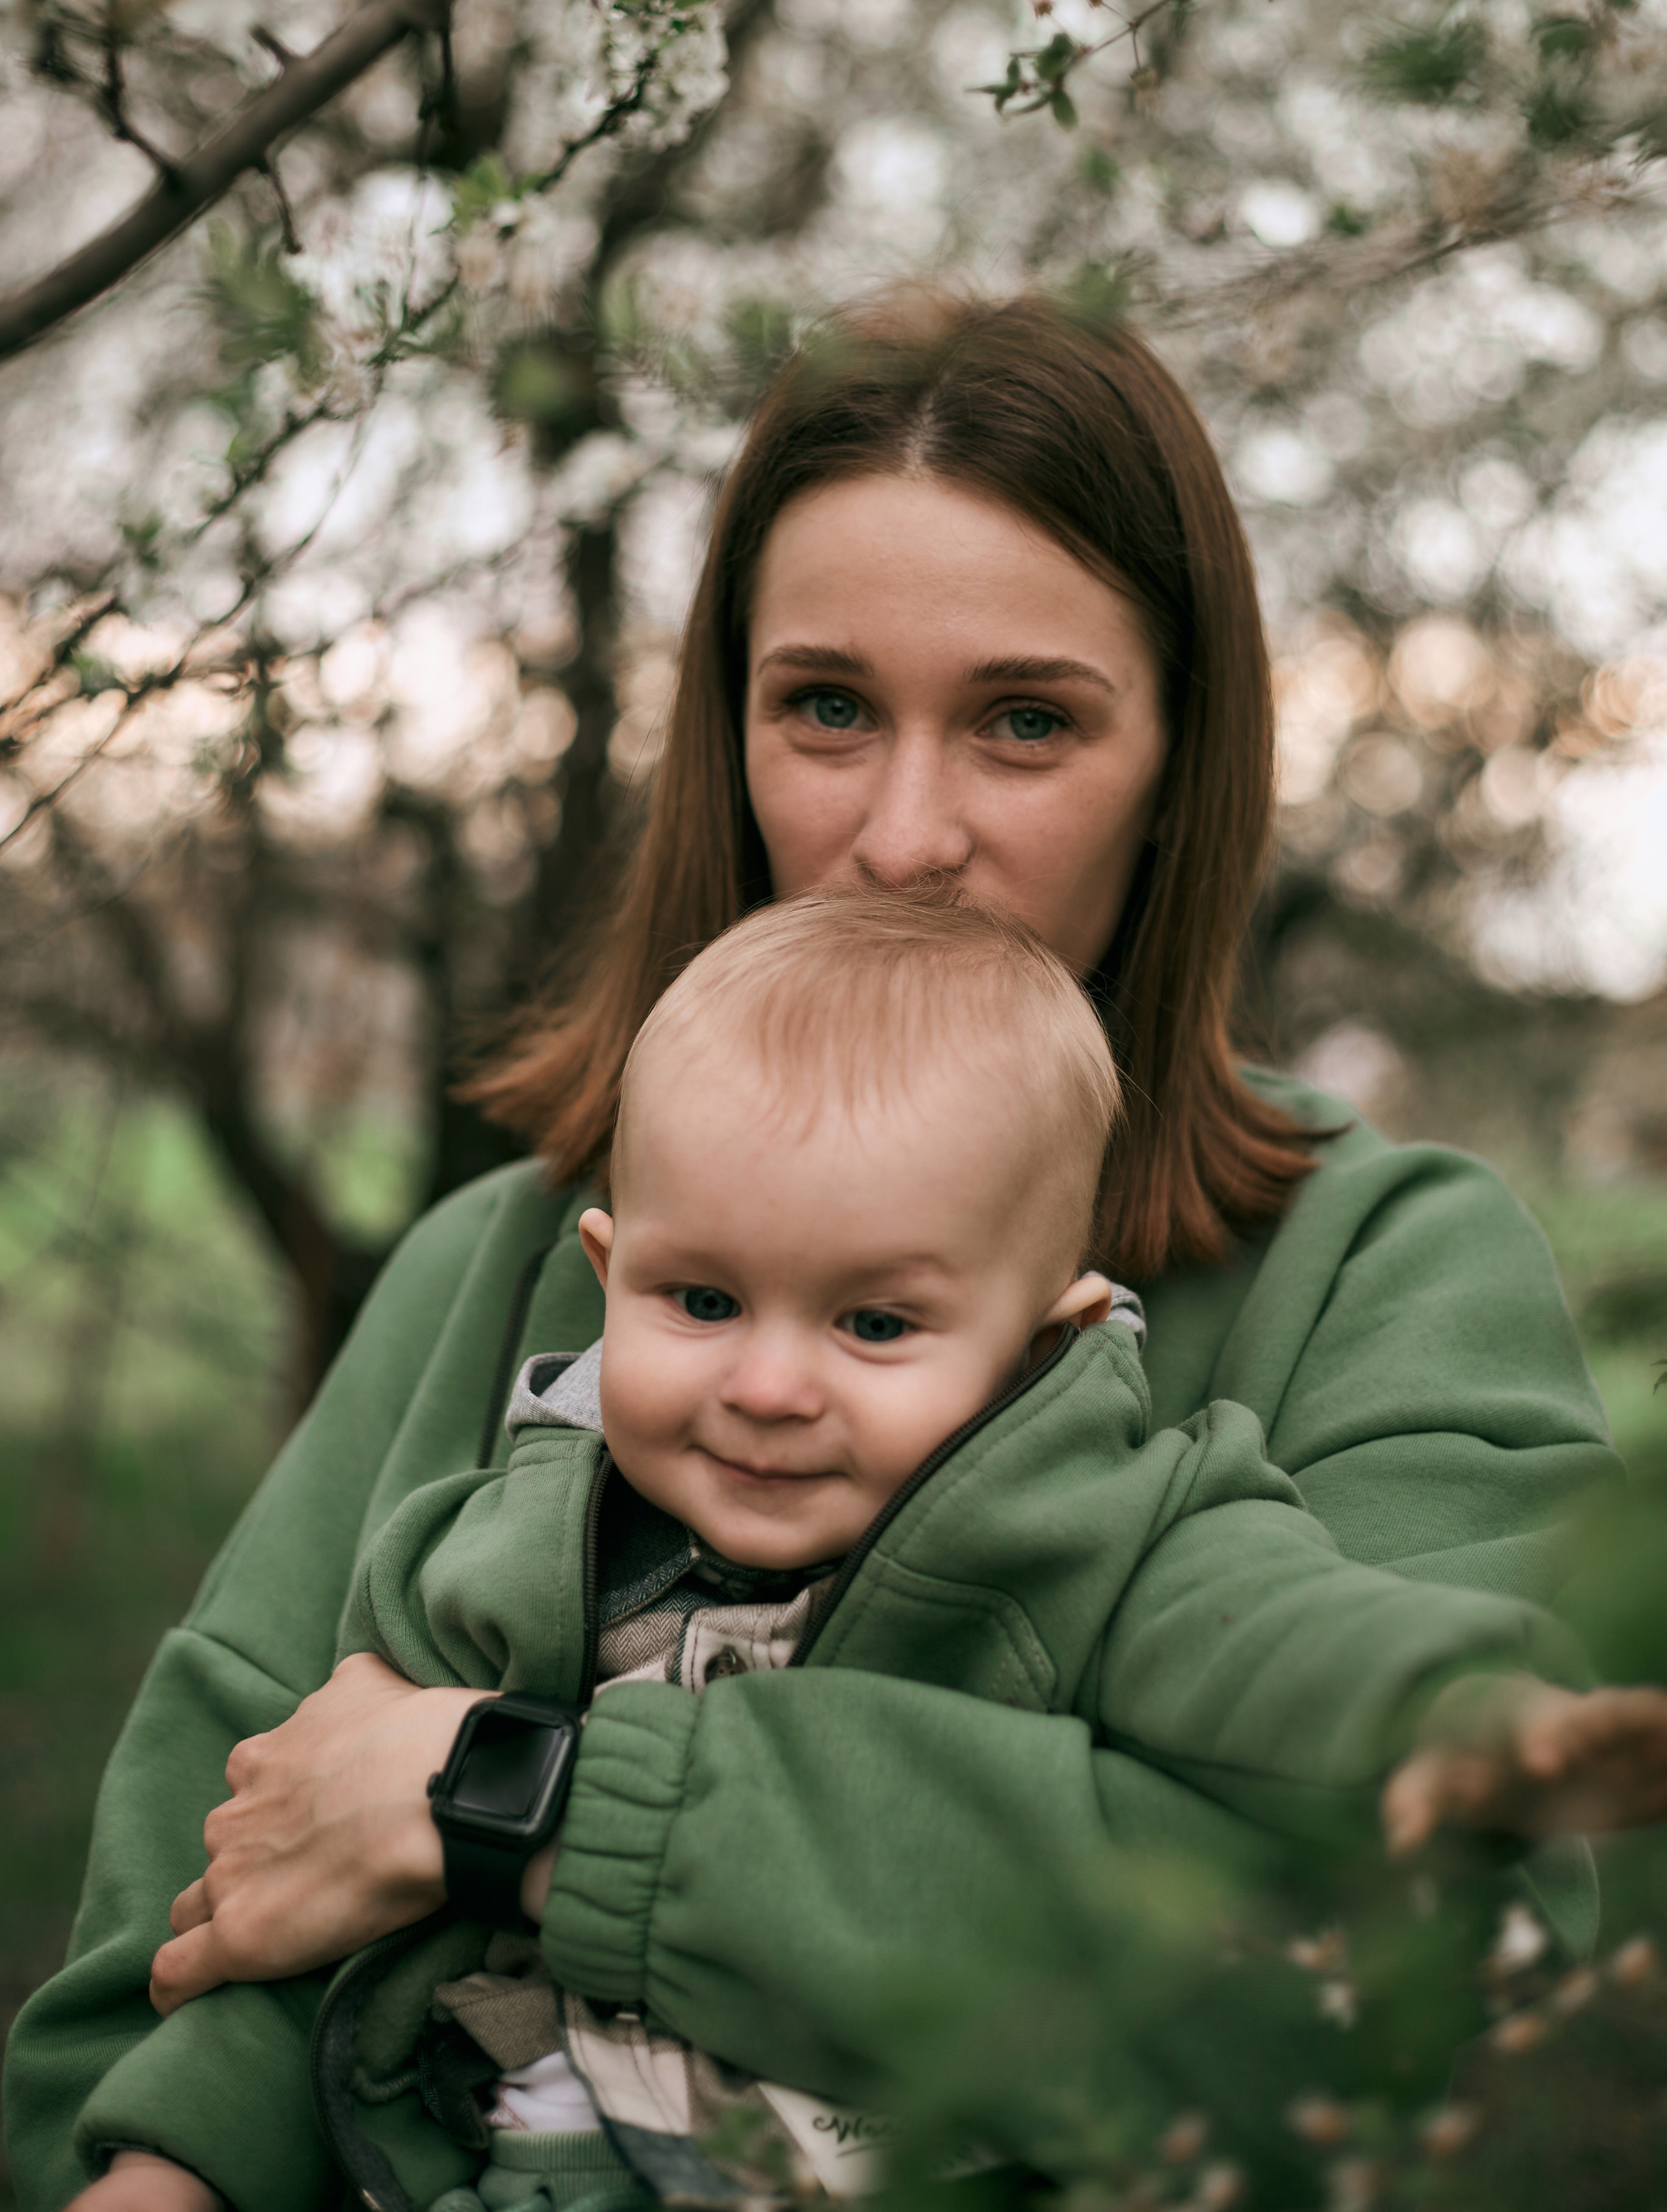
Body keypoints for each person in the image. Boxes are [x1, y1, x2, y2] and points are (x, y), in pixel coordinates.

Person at [3, 290, 1625, 2212]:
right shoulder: (496, 1273)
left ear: (1185, 768)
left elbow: (1480, 1998)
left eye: (1028, 722)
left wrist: (513, 1804)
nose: (904, 833)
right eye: (829, 709)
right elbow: (164, 1984)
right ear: (732, 731)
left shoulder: (1374, 1266)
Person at [51, 891, 1667, 2212]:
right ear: (605, 1271)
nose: (765, 1384)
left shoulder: (1098, 1523)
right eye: (699, 1302)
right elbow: (296, 1911)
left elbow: (1282, 1644)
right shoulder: (502, 1549)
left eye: (875, 1322)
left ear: (1045, 1340)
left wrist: (1478, 1720)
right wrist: (171, 2162)